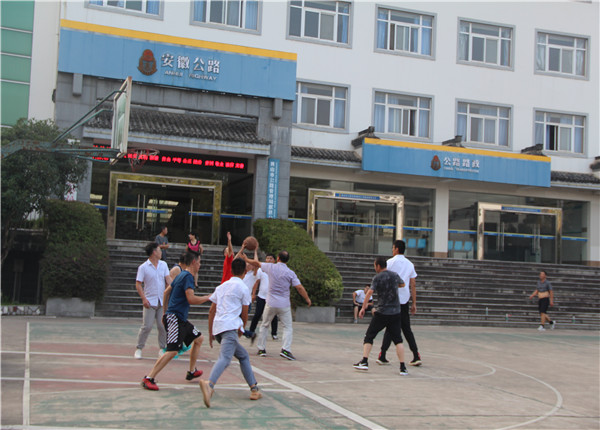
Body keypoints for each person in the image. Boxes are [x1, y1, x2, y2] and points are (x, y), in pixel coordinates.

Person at [141, 251, 211, 391]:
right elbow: (191, 299)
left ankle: (191, 371)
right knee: (172, 351)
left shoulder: (181, 275)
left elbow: (166, 292)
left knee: (199, 338)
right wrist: (209, 297)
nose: (200, 265)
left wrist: (165, 313)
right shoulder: (188, 277)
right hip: (175, 319)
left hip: (179, 319)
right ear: (193, 262)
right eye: (199, 262)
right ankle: (149, 378)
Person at [199, 258, 262, 407]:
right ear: (245, 272)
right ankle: (210, 384)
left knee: (243, 355)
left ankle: (254, 388)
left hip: (218, 328)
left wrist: (211, 332)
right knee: (225, 358)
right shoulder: (243, 288)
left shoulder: (222, 286)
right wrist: (242, 328)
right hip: (230, 327)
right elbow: (245, 313)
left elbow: (211, 310)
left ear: (231, 271)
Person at [243, 250, 311, 361]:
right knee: (287, 327)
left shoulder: (271, 267)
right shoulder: (290, 273)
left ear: (278, 258)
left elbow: (257, 263)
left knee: (265, 325)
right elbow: (299, 287)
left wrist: (246, 259)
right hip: (284, 304)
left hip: (270, 302)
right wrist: (307, 298)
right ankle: (285, 349)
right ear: (287, 260)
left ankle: (261, 349)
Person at [353, 256, 408, 375]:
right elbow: (402, 284)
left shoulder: (377, 278)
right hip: (395, 312)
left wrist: (363, 307)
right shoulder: (394, 275)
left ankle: (365, 361)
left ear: (378, 266)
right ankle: (403, 367)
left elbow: (370, 292)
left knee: (369, 335)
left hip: (382, 312)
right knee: (398, 340)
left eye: (375, 266)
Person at [377, 239, 422, 367]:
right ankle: (416, 355)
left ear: (396, 249)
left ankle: (383, 354)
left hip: (391, 300)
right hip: (404, 300)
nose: (392, 250)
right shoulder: (410, 264)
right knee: (406, 328)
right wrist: (414, 303)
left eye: (393, 248)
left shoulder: (390, 262)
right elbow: (413, 284)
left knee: (390, 327)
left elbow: (382, 278)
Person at [134, 242, 172, 360]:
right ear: (154, 252)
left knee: (162, 326)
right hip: (149, 302)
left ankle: (162, 348)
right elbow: (138, 284)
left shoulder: (163, 265)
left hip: (162, 301)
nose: (161, 252)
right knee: (147, 326)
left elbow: (168, 279)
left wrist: (174, 287)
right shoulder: (143, 267)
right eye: (159, 250)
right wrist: (143, 298)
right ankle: (139, 348)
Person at [247, 254, 278, 340]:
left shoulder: (276, 270)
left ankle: (274, 333)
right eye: (267, 258)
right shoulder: (261, 270)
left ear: (274, 260)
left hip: (272, 297)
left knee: (273, 316)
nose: (269, 260)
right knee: (257, 314)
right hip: (261, 296)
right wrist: (253, 294)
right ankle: (251, 331)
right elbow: (256, 282)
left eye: (271, 258)